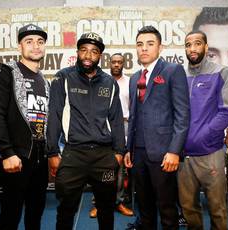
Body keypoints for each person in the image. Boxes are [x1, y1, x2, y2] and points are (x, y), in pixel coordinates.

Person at [48, 32, 126, 230]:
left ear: (100, 56)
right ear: (77, 52)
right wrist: (52, 152)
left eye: (94, 51)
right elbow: (54, 116)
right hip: (73, 154)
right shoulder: (63, 77)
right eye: (84, 50)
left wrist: (118, 153)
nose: (88, 55)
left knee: (106, 208)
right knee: (66, 208)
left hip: (103, 157)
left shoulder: (109, 82)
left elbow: (116, 119)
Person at [124, 25, 190, 230]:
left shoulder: (172, 71)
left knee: (167, 210)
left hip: (163, 154)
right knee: (144, 209)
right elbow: (134, 115)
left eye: (150, 44)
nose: (144, 48)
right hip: (139, 154)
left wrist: (174, 151)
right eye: (140, 44)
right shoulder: (135, 77)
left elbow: (183, 114)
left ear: (160, 47)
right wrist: (129, 149)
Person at [0, 24, 49, 230]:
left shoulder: (44, 80)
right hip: (16, 156)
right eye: (29, 41)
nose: (35, 46)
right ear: (19, 46)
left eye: (40, 42)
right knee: (10, 214)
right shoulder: (7, 72)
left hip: (40, 157)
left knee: (36, 213)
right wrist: (6, 153)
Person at [178, 30, 228, 230]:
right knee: (188, 208)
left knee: (217, 209)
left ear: (205, 46)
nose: (192, 48)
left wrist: (203, 136)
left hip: (210, 153)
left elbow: (227, 112)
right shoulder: (178, 75)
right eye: (188, 44)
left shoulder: (222, 72)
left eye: (196, 43)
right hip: (183, 156)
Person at [89, 53, 133, 218]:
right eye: (113, 62)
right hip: (104, 126)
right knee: (99, 166)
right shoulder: (102, 81)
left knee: (119, 167)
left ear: (123, 64)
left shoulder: (130, 83)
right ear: (109, 63)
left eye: (119, 62)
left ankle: (118, 202)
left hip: (124, 125)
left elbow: (133, 106)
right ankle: (98, 204)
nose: (116, 65)